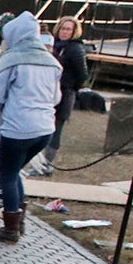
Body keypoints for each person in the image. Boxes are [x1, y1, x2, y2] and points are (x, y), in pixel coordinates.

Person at [0, 11, 63, 242]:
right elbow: (56, 97)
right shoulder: (52, 62)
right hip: (45, 128)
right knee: (15, 170)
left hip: (18, 127)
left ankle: (10, 228)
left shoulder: (13, 59)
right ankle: (20, 218)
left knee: (7, 174)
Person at [29, 15, 89, 174]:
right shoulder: (53, 45)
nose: (65, 32)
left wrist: (70, 87)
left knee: (56, 129)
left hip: (65, 93)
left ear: (74, 31)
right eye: (63, 28)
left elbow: (82, 74)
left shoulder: (75, 49)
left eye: (69, 29)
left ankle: (47, 164)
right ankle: (38, 162)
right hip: (48, 92)